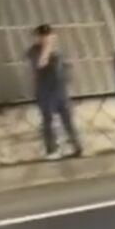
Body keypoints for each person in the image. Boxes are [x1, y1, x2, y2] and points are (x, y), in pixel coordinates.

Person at [26, 24, 82, 159]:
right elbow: (40, 64)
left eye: (48, 35)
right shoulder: (34, 51)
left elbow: (66, 68)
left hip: (60, 91)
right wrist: (47, 48)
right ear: (38, 37)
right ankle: (52, 150)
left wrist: (68, 78)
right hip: (46, 92)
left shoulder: (58, 52)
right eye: (43, 36)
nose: (46, 38)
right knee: (49, 121)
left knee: (68, 120)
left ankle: (77, 147)